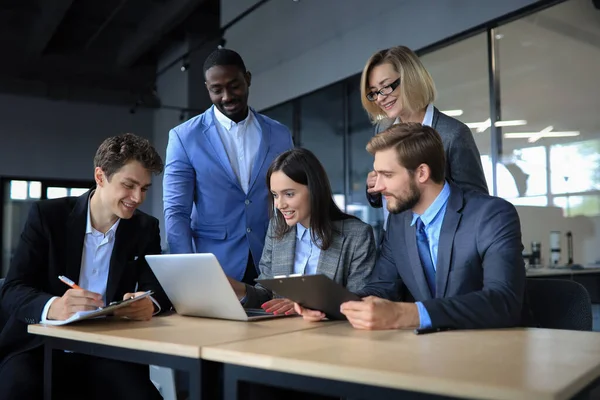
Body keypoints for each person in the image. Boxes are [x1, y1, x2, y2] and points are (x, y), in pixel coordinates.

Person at [296, 123, 526, 330]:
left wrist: (407, 314)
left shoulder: (491, 215)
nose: (376, 187)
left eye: (387, 175)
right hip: (428, 352)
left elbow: (503, 301)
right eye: (377, 175)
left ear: (422, 173)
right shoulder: (399, 222)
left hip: (493, 350)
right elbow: (381, 287)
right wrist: (331, 307)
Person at [0, 133, 171, 399]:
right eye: (129, 185)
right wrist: (54, 306)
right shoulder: (47, 216)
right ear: (100, 176)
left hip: (106, 349)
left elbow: (157, 287)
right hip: (38, 347)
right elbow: (12, 289)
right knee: (19, 390)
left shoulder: (145, 228)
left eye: (145, 188)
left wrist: (150, 303)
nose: (138, 198)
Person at [164, 48, 293, 285]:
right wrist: (186, 272)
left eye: (234, 85)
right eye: (216, 90)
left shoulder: (280, 134)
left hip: (271, 261)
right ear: (207, 88)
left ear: (248, 79)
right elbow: (176, 212)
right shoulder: (184, 138)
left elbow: (291, 199)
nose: (226, 96)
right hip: (214, 266)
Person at [227, 148, 376, 314]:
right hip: (282, 333)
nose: (279, 204)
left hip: (331, 334)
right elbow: (268, 295)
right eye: (275, 195)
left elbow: (360, 301)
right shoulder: (277, 229)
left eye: (289, 194)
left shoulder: (356, 235)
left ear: (314, 190)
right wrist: (235, 288)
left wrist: (306, 305)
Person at [361, 46, 488, 229]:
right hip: (395, 243)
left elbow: (477, 203)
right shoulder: (383, 128)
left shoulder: (452, 134)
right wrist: (374, 188)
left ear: (410, 80)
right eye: (374, 92)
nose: (380, 98)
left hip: (440, 244)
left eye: (386, 87)